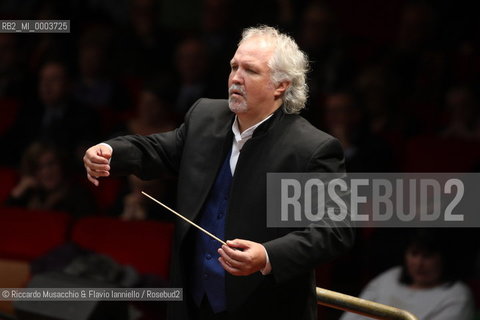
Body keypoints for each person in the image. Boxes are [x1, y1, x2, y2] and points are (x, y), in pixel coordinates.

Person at [84, 25, 354, 320]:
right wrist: (112, 151)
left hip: (264, 308)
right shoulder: (204, 116)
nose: (236, 78)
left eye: (250, 71)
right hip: (193, 303)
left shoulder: (310, 148)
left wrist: (267, 255)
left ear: (281, 85)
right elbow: (159, 150)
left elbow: (334, 229)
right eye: (233, 67)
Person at [340, 229, 475, 320]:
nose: (419, 263)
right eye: (414, 254)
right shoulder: (389, 278)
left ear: (444, 258)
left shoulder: (457, 295)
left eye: (428, 256)